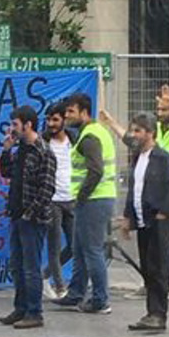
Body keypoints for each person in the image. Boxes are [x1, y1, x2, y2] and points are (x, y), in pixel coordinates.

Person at [52, 93, 117, 314]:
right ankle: (76, 294)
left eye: (71, 111)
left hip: (94, 200)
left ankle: (100, 300)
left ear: (84, 112)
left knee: (92, 250)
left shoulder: (89, 137)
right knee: (79, 249)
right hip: (93, 199)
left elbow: (96, 170)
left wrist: (81, 196)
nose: (66, 116)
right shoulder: (92, 132)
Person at [119, 114, 169, 331]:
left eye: (138, 131)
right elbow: (134, 190)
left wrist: (165, 213)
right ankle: (150, 312)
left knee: (159, 266)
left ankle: (158, 313)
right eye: (133, 130)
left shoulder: (164, 159)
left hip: (159, 222)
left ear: (150, 133)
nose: (134, 135)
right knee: (148, 266)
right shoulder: (138, 158)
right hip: (142, 220)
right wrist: (128, 217)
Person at [0, 106, 57, 329]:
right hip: (16, 214)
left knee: (31, 267)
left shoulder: (43, 151)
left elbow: (47, 188)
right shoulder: (21, 149)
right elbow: (6, 172)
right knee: (16, 265)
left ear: (28, 125)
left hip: (32, 219)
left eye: (15, 124)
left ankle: (34, 312)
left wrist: (29, 214)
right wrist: (6, 150)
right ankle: (20, 307)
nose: (12, 128)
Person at [100, 83, 169, 192]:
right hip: (152, 189)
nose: (160, 113)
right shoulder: (154, 127)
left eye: (164, 110)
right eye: (158, 109)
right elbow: (132, 140)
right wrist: (111, 122)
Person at [41, 101, 75, 299]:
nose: (51, 124)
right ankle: (61, 288)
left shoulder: (75, 139)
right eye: (48, 119)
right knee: (53, 247)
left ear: (64, 120)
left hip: (71, 198)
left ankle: (44, 275)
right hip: (52, 200)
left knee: (74, 245)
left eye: (55, 119)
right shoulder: (44, 142)